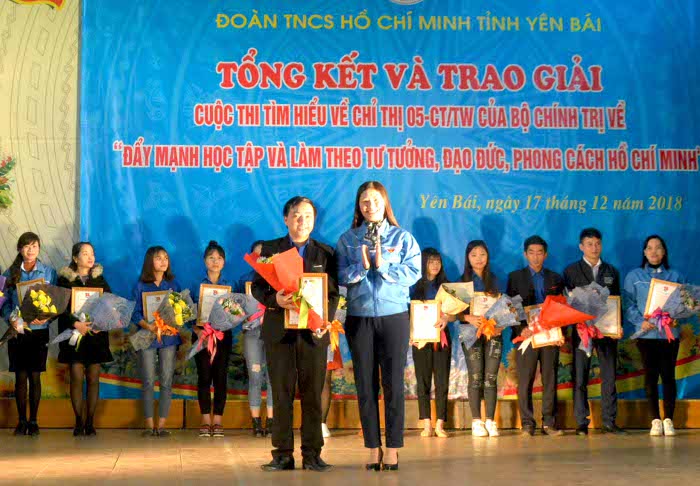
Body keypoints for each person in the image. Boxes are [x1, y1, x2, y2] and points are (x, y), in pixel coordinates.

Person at [336, 181, 421, 471]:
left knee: (393, 384)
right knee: (365, 384)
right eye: (364, 201)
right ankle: (373, 447)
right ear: (358, 206)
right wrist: (361, 267)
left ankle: (393, 448)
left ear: (385, 203)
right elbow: (339, 275)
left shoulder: (402, 237)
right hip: (359, 318)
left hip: (394, 317)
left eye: (375, 200)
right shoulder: (348, 239)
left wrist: (383, 266)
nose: (370, 206)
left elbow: (413, 272)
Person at [252, 196, 339, 472]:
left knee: (313, 394)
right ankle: (282, 455)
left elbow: (333, 294)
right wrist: (274, 300)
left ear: (315, 221)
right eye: (297, 215)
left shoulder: (326, 253)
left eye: (308, 216)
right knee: (281, 394)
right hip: (280, 332)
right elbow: (257, 287)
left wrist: (325, 319)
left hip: (313, 334)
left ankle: (313, 454)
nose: (302, 221)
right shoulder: (270, 249)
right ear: (286, 218)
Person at [564, 228, 626, 435]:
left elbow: (617, 301)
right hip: (582, 332)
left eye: (597, 243)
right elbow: (567, 303)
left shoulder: (611, 271)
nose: (594, 247)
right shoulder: (571, 271)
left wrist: (619, 325)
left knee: (609, 376)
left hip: (607, 332)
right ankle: (581, 422)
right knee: (580, 377)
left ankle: (609, 421)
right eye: (589, 244)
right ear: (581, 246)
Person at [623, 235, 685, 436]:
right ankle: (655, 420)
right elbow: (628, 304)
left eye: (658, 247)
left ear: (664, 252)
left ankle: (669, 419)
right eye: (649, 248)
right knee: (650, 377)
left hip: (669, 335)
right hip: (646, 336)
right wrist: (640, 321)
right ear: (644, 252)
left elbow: (684, 304)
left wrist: (676, 318)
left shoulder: (675, 276)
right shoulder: (634, 276)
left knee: (668, 376)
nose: (654, 251)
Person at [507, 235, 565, 436]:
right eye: (531, 252)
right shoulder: (515, 277)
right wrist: (520, 329)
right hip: (526, 335)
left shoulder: (555, 278)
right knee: (525, 379)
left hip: (549, 335)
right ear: (525, 254)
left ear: (545, 255)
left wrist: (559, 332)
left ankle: (549, 423)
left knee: (550, 378)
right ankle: (527, 423)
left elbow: (561, 308)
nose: (536, 256)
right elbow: (511, 308)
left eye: (540, 252)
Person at [2, 232, 57, 436]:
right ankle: (21, 421)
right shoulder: (9, 273)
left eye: (34, 246)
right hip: (18, 332)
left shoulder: (49, 272)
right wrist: (12, 318)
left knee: (35, 377)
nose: (30, 250)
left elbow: (56, 302)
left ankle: (34, 421)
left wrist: (46, 318)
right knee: (20, 376)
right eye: (26, 246)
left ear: (39, 248)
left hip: (39, 332)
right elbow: (4, 304)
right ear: (20, 249)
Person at [57, 242, 112, 436]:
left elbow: (109, 305)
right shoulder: (65, 280)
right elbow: (60, 308)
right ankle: (78, 421)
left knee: (94, 378)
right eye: (85, 253)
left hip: (95, 336)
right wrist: (75, 324)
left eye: (92, 254)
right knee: (76, 377)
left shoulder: (100, 279)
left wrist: (99, 323)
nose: (90, 257)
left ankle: (90, 422)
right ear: (75, 258)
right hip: (74, 335)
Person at [132, 246, 182, 437]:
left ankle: (161, 425)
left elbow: (180, 312)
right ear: (149, 261)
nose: (163, 261)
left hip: (169, 338)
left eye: (166, 258)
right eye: (158, 258)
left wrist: (173, 322)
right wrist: (149, 326)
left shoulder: (173, 285)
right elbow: (135, 313)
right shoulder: (140, 286)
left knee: (166, 381)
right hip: (147, 337)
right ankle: (149, 425)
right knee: (148, 381)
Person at [459, 240, 502, 437]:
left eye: (482, 254)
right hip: (471, 334)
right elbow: (453, 312)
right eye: (474, 255)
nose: (479, 259)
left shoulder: (496, 280)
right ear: (468, 258)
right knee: (475, 376)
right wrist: (467, 317)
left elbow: (507, 308)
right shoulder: (462, 282)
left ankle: (490, 420)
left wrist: (501, 324)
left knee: (491, 378)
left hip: (493, 334)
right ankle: (476, 421)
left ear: (488, 257)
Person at [192, 241, 233, 438]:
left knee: (220, 377)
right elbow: (188, 314)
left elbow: (236, 313)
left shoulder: (230, 286)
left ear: (224, 262)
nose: (215, 261)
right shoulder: (196, 285)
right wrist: (196, 329)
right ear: (204, 261)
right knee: (204, 376)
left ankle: (217, 420)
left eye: (219, 258)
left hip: (223, 336)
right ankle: (205, 419)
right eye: (211, 258)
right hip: (202, 335)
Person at [410, 248, 451, 438]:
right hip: (420, 339)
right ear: (423, 263)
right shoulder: (414, 286)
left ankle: (440, 424)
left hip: (442, 337)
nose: (435, 265)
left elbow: (455, 312)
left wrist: (447, 317)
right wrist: (410, 333)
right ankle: (426, 424)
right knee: (423, 381)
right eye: (431, 261)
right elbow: (407, 312)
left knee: (442, 381)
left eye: (438, 261)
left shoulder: (447, 287)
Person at [237, 240, 274, 438]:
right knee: (255, 376)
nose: (260, 258)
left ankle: (272, 421)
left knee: (273, 377)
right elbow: (234, 308)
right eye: (256, 254)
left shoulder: (277, 278)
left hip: (273, 334)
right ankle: (256, 422)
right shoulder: (244, 280)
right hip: (252, 334)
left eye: (263, 254)